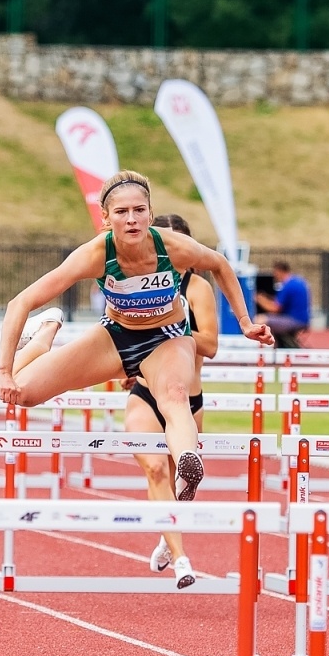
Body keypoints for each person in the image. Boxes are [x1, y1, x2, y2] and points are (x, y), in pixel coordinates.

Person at [0, 170, 272, 503]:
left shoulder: (172, 247)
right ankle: (46, 331)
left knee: (175, 394)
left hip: (166, 337)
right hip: (114, 338)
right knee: (22, 394)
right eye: (122, 212)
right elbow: (20, 302)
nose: (132, 220)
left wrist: (244, 321)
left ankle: (188, 464)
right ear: (106, 218)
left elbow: (220, 265)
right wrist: (3, 371)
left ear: (150, 214)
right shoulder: (97, 254)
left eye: (139, 210)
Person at [125, 214, 218, 588]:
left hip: (187, 399)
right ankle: (181, 559)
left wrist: (168, 325)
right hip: (147, 393)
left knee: (182, 482)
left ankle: (167, 537)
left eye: (176, 244)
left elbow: (210, 344)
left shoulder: (197, 289)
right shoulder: (132, 284)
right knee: (156, 471)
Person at [255, 261, 310, 347]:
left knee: (260, 319)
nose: (275, 276)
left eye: (275, 273)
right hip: (302, 320)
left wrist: (259, 299)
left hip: (295, 321)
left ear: (280, 271)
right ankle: (280, 345)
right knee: (270, 319)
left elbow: (275, 308)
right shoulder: (297, 281)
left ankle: (264, 349)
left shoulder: (288, 285)